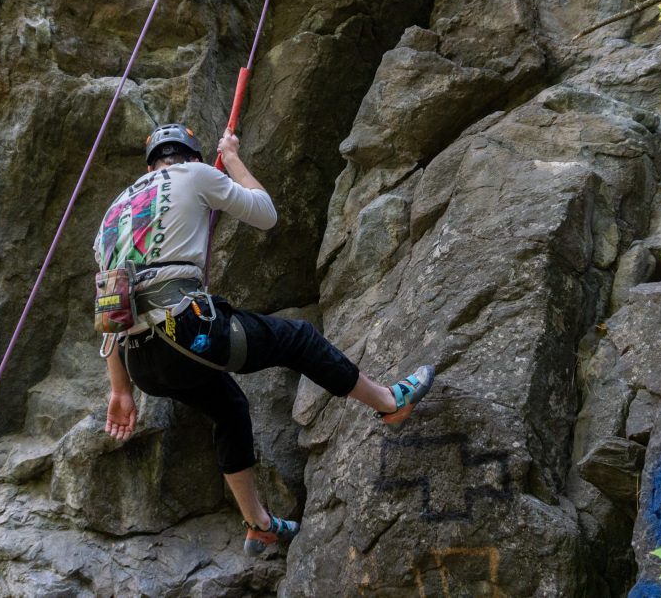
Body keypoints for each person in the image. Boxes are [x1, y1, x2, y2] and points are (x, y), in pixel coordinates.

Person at [94, 123, 434, 556]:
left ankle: (259, 524)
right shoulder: (195, 175)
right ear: (193, 156)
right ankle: (390, 403)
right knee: (297, 338)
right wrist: (232, 159)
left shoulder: (112, 214)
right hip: (188, 331)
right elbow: (265, 212)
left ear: (151, 163)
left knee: (230, 407)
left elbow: (110, 305)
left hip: (142, 364)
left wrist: (120, 390)